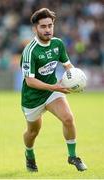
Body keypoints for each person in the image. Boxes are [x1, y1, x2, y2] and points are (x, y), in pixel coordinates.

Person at [20, 8, 87, 172]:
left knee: (68, 118)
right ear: (35, 28)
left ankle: (72, 156)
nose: (47, 29)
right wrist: (55, 86)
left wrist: (76, 80)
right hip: (32, 97)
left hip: (52, 92)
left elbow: (67, 65)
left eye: (50, 25)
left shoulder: (58, 44)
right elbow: (30, 81)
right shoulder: (30, 51)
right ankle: (29, 154)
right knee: (32, 132)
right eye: (43, 26)